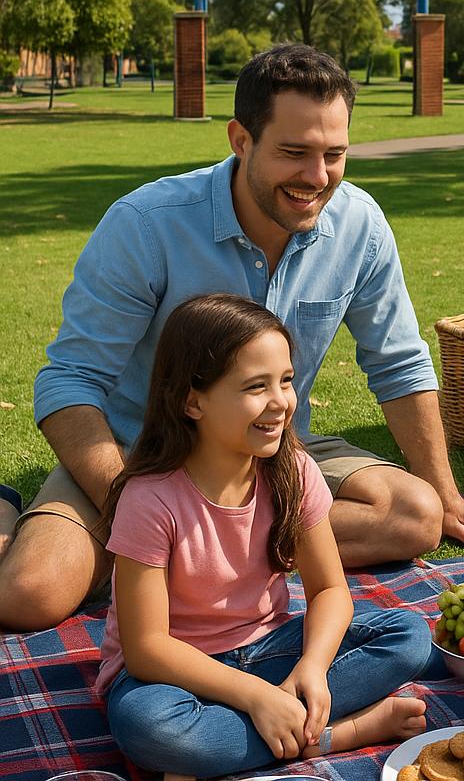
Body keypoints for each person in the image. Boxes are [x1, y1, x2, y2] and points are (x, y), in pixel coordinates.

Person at [1, 43, 464, 632]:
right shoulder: (146, 225)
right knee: (30, 595)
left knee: (415, 515)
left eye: (335, 155)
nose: (317, 179)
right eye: (294, 153)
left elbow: (398, 365)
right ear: (240, 140)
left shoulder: (360, 225)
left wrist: (448, 494)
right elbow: (70, 382)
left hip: (273, 453)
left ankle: (204, 558)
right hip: (137, 455)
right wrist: (136, 508)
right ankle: (18, 513)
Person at [97, 293, 430, 777]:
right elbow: (147, 649)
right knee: (148, 727)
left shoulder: (293, 471)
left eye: (287, 381)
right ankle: (339, 733)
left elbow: (331, 591)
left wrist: (313, 669)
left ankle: (248, 734)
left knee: (409, 636)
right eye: (256, 386)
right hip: (174, 677)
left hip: (270, 651)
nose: (280, 402)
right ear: (193, 400)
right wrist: (255, 697)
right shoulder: (150, 499)